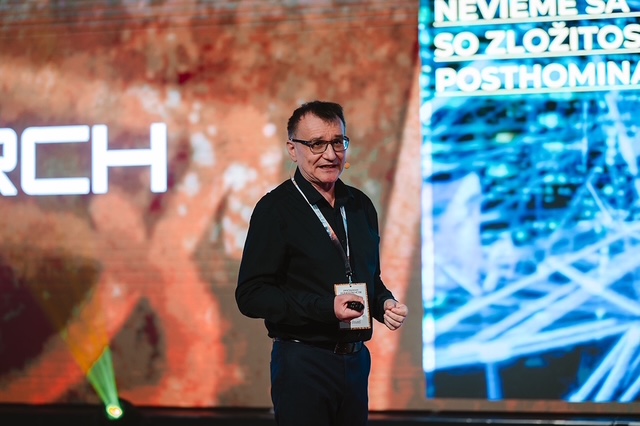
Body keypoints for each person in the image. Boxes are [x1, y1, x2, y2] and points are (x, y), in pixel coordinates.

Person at [235, 100, 408, 426]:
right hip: (303, 362)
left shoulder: (360, 205)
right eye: (316, 144)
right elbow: (251, 295)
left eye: (338, 142)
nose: (330, 155)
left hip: (355, 361)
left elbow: (369, 279)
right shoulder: (275, 210)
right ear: (293, 149)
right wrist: (327, 308)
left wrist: (384, 303)